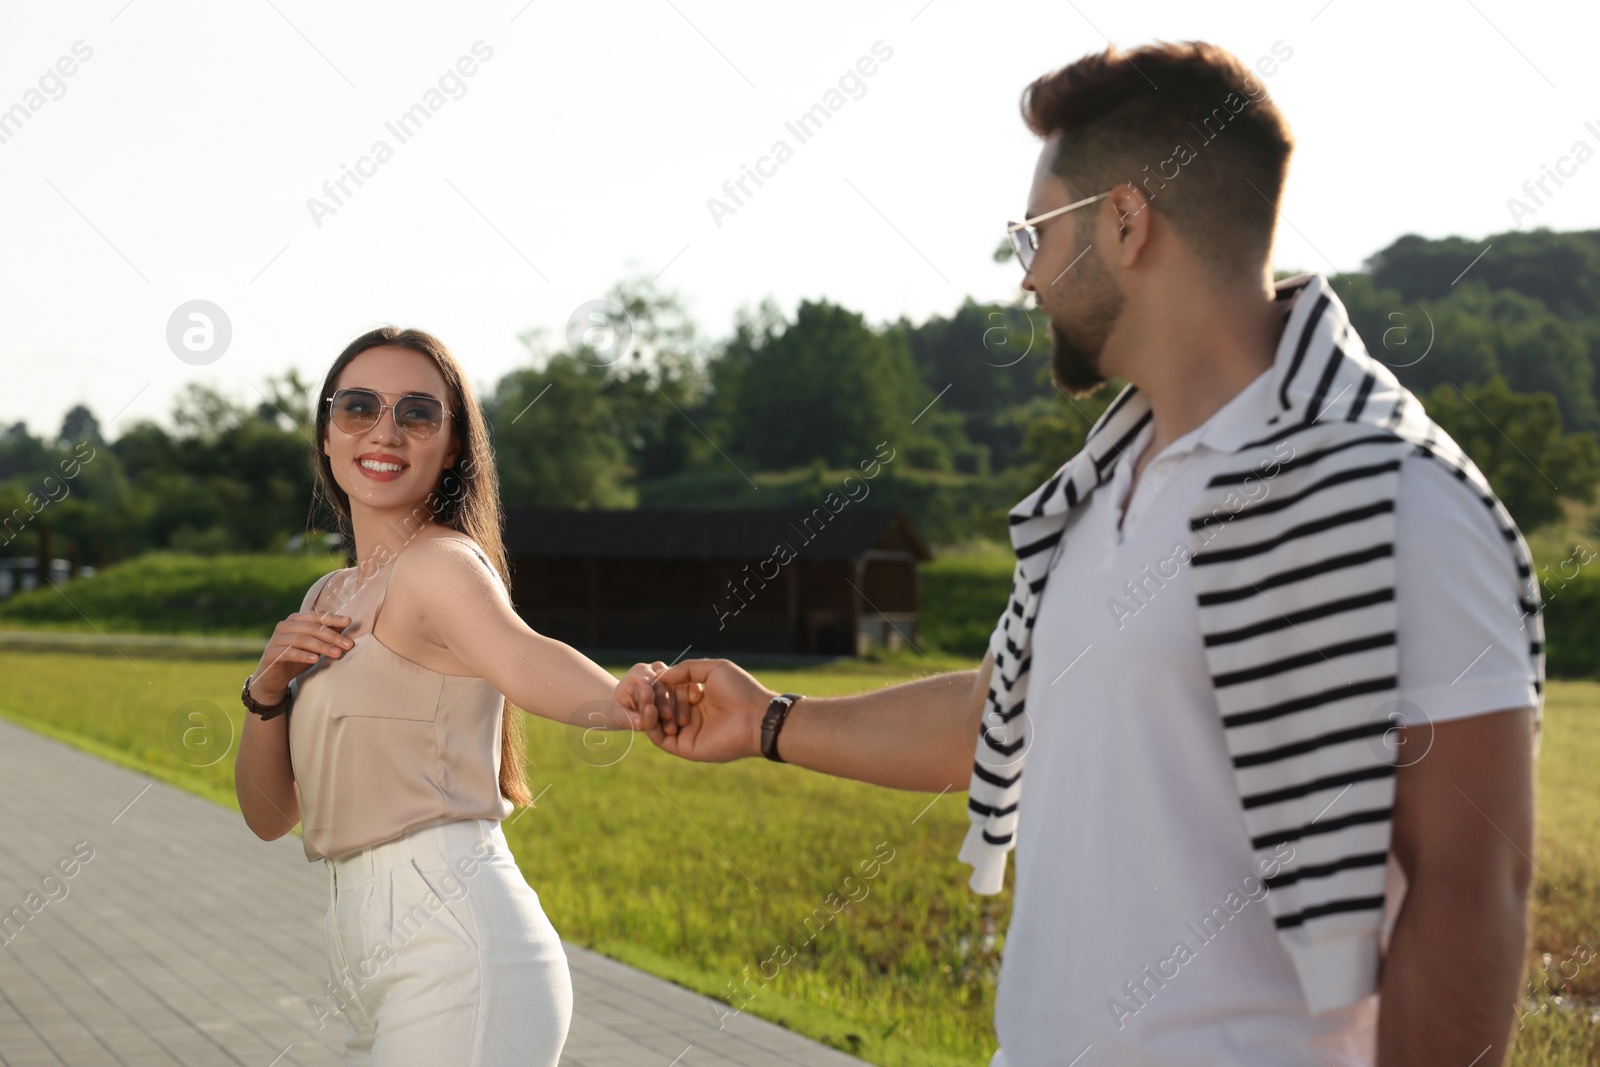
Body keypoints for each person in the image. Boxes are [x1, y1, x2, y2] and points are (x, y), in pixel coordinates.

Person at [636, 41, 1541, 1067]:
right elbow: (1000, 714)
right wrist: (768, 720)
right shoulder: (1102, 486)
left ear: (1122, 221)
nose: (1022, 272)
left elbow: (1470, 884)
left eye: (1033, 231)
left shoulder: (1390, 493)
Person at [233, 326, 673, 1066]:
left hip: (455, 941)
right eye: (359, 407)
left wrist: (623, 698)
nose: (385, 431)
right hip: (359, 946)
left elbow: (523, 657)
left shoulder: (438, 564)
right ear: (328, 436)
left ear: (453, 445)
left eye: (417, 413)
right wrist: (265, 692)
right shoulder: (327, 594)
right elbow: (271, 817)